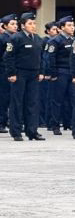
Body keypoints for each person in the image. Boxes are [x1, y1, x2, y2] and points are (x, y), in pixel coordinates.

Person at [5, 12, 44, 141]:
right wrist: (12, 73)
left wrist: (41, 72)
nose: (33, 26)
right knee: (17, 102)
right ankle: (16, 131)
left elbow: (42, 57)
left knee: (32, 103)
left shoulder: (38, 38)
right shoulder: (16, 38)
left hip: (34, 74)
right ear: (23, 25)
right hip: (20, 74)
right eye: (30, 23)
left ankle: (32, 131)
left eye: (34, 23)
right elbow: (8, 57)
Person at [46, 16, 74, 135]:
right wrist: (53, 74)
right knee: (57, 100)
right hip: (60, 72)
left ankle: (70, 123)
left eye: (73, 25)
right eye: (69, 25)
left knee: (72, 99)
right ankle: (55, 125)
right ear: (61, 28)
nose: (72, 28)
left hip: (71, 72)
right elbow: (50, 58)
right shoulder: (55, 41)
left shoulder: (74, 40)